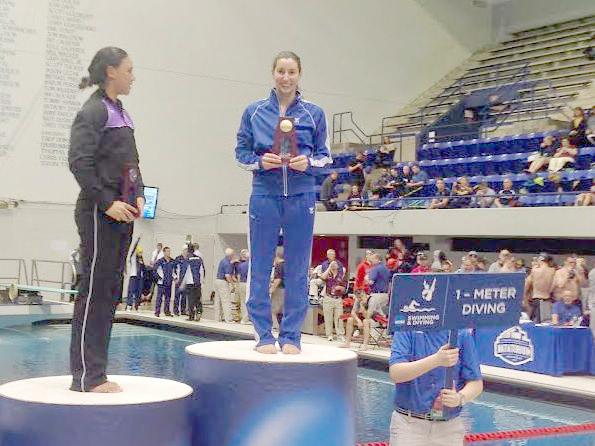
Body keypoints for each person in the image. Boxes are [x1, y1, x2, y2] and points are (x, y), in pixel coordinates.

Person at [235, 51, 331, 354]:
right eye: (281, 71)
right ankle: (263, 333)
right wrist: (261, 162)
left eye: (291, 72)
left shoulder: (315, 113)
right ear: (273, 73)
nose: (286, 78)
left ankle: (291, 336)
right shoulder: (254, 111)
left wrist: (310, 163)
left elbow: (325, 156)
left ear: (299, 75)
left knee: (299, 267)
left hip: (302, 195)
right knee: (260, 266)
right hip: (265, 193)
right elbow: (241, 153)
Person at [68, 47, 144, 393]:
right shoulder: (94, 111)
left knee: (111, 291)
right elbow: (79, 163)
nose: (133, 75)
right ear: (112, 72)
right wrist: (107, 202)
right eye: (129, 69)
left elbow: (131, 164)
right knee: (95, 292)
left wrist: (138, 193)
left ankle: (98, 371)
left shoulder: (121, 113)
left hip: (122, 213)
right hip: (100, 213)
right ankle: (87, 376)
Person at [388, 330, 483, 446]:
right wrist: (436, 360)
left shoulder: (461, 333)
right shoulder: (406, 329)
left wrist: (459, 398)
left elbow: (476, 383)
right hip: (408, 425)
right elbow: (396, 373)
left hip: (449, 427)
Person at [320, 260, 346, 342]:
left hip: (338, 299)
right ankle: (329, 335)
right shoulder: (328, 274)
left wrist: (340, 288)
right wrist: (329, 268)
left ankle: (340, 335)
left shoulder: (341, 275)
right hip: (328, 298)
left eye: (335, 264)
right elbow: (323, 277)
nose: (334, 265)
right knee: (328, 318)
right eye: (332, 264)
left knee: (339, 317)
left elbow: (344, 288)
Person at [525, 253, 555, 323]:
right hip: (547, 299)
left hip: (537, 298)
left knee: (535, 324)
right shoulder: (552, 271)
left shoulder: (535, 270)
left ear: (541, 259)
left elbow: (527, 284)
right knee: (546, 323)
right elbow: (554, 285)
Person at [179, 243, 205, 322]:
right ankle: (199, 311)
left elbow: (185, 273)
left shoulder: (187, 260)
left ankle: (191, 316)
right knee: (197, 298)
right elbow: (202, 271)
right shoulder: (199, 259)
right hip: (197, 282)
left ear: (188, 251)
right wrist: (202, 282)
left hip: (190, 282)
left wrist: (182, 284)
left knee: (190, 299)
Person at [214, 249, 235, 323]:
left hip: (217, 281)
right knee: (226, 301)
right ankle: (228, 319)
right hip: (223, 282)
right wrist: (233, 285)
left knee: (218, 301)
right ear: (231, 255)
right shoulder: (227, 263)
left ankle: (217, 318)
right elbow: (227, 276)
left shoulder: (223, 261)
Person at [155, 247, 176, 317]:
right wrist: (159, 278)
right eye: (167, 251)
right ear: (164, 252)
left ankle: (167, 311)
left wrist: (175, 278)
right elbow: (155, 270)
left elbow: (174, 271)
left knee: (168, 298)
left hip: (169, 282)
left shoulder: (172, 261)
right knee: (159, 298)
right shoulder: (160, 261)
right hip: (161, 283)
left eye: (169, 251)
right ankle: (157, 312)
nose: (168, 253)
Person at [270, 250, 285, 330]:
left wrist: (271, 289)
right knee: (282, 310)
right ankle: (283, 327)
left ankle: (275, 326)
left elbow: (278, 279)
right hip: (287, 290)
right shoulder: (288, 265)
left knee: (273, 309)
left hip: (279, 289)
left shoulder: (279, 265)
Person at [234, 249, 251, 324]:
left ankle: (243, 319)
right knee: (248, 301)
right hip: (248, 284)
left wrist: (237, 285)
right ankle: (247, 318)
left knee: (243, 302)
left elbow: (238, 276)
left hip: (241, 283)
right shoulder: (251, 265)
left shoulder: (240, 265)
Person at [125, 245, 144, 311]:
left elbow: (143, 268)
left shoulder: (141, 258)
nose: (140, 254)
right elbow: (132, 251)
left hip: (139, 277)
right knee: (131, 291)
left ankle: (137, 306)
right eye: (139, 252)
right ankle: (129, 305)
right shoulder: (132, 257)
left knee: (138, 292)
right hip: (133, 275)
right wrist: (137, 242)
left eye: (141, 253)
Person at [173, 246, 188, 316]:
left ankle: (183, 310)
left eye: (187, 250)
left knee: (184, 297)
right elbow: (173, 270)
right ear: (182, 250)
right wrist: (175, 278)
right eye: (184, 250)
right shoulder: (178, 259)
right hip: (179, 280)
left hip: (186, 281)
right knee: (177, 296)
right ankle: (175, 310)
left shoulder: (189, 259)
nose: (185, 251)